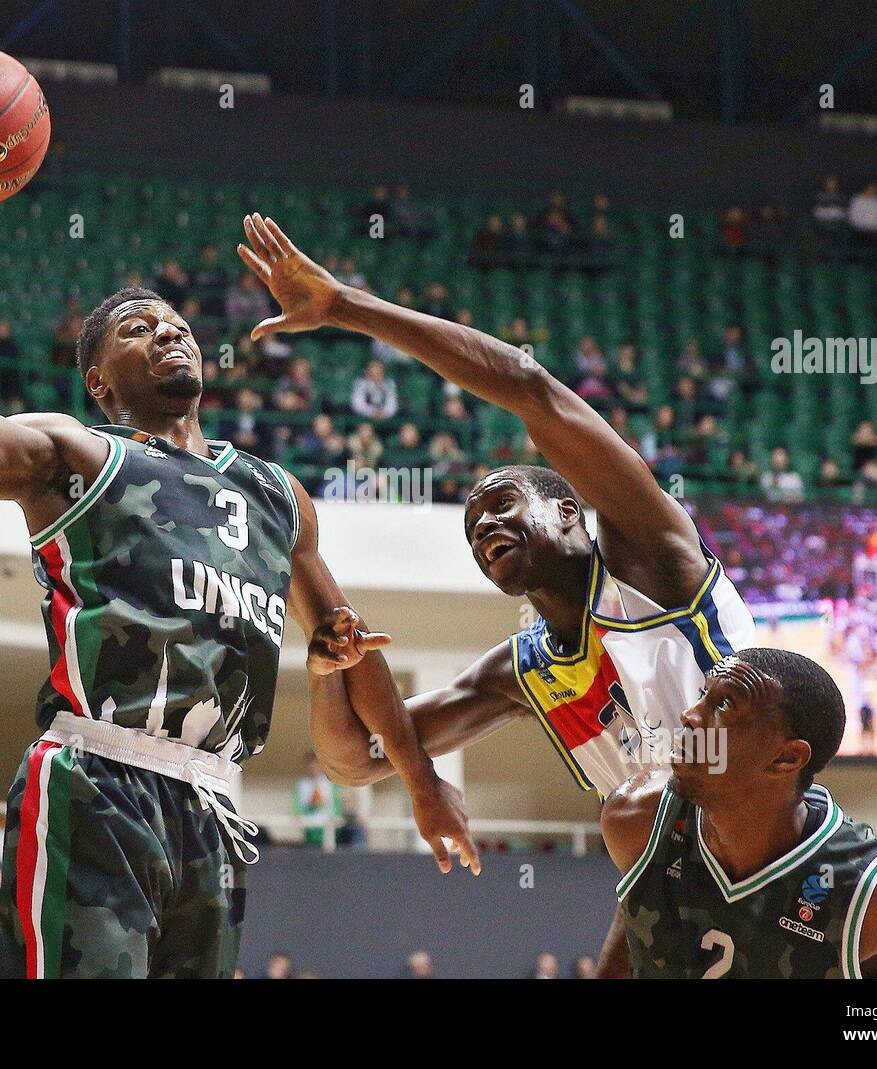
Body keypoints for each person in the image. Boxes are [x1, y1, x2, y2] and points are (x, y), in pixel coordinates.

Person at [0, 98, 474, 979]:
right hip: (98, 784)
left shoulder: (275, 493)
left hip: (215, 810)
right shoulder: (76, 454)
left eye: (177, 322)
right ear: (100, 378)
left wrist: (420, 778)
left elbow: (348, 641)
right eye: (139, 327)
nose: (171, 329)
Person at [236, 213, 755, 978]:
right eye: (474, 527)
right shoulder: (526, 671)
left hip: (765, 826)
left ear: (571, 513)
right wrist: (326, 674)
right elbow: (355, 761)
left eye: (505, 505)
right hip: (673, 875)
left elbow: (527, 386)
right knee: (638, 823)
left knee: (639, 810)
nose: (485, 528)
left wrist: (346, 307)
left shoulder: (650, 556)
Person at [601, 649, 877, 978]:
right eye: (702, 696)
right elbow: (638, 920)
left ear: (786, 759)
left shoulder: (875, 890)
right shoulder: (636, 818)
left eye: (725, 705)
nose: (690, 716)